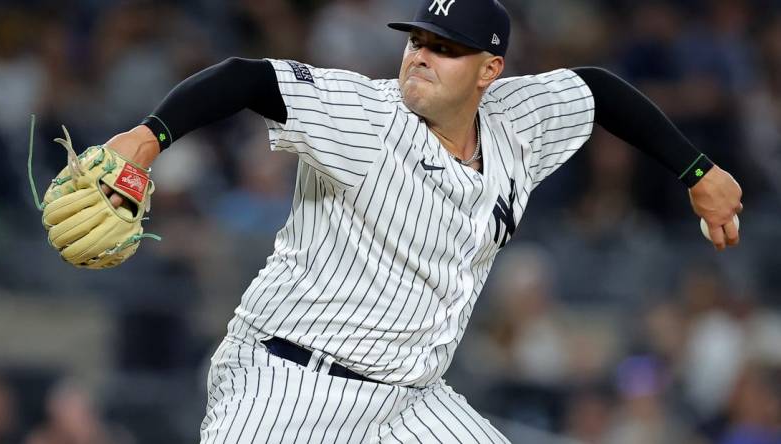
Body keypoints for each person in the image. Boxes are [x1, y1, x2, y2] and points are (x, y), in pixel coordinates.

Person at [97, 0, 743, 441]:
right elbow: (244, 78)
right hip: (288, 385)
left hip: (409, 402)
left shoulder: (519, 121)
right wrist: (148, 138)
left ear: (491, 70)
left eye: (446, 49)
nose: (421, 57)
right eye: (417, 41)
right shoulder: (367, 119)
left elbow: (599, 90)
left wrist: (698, 172)